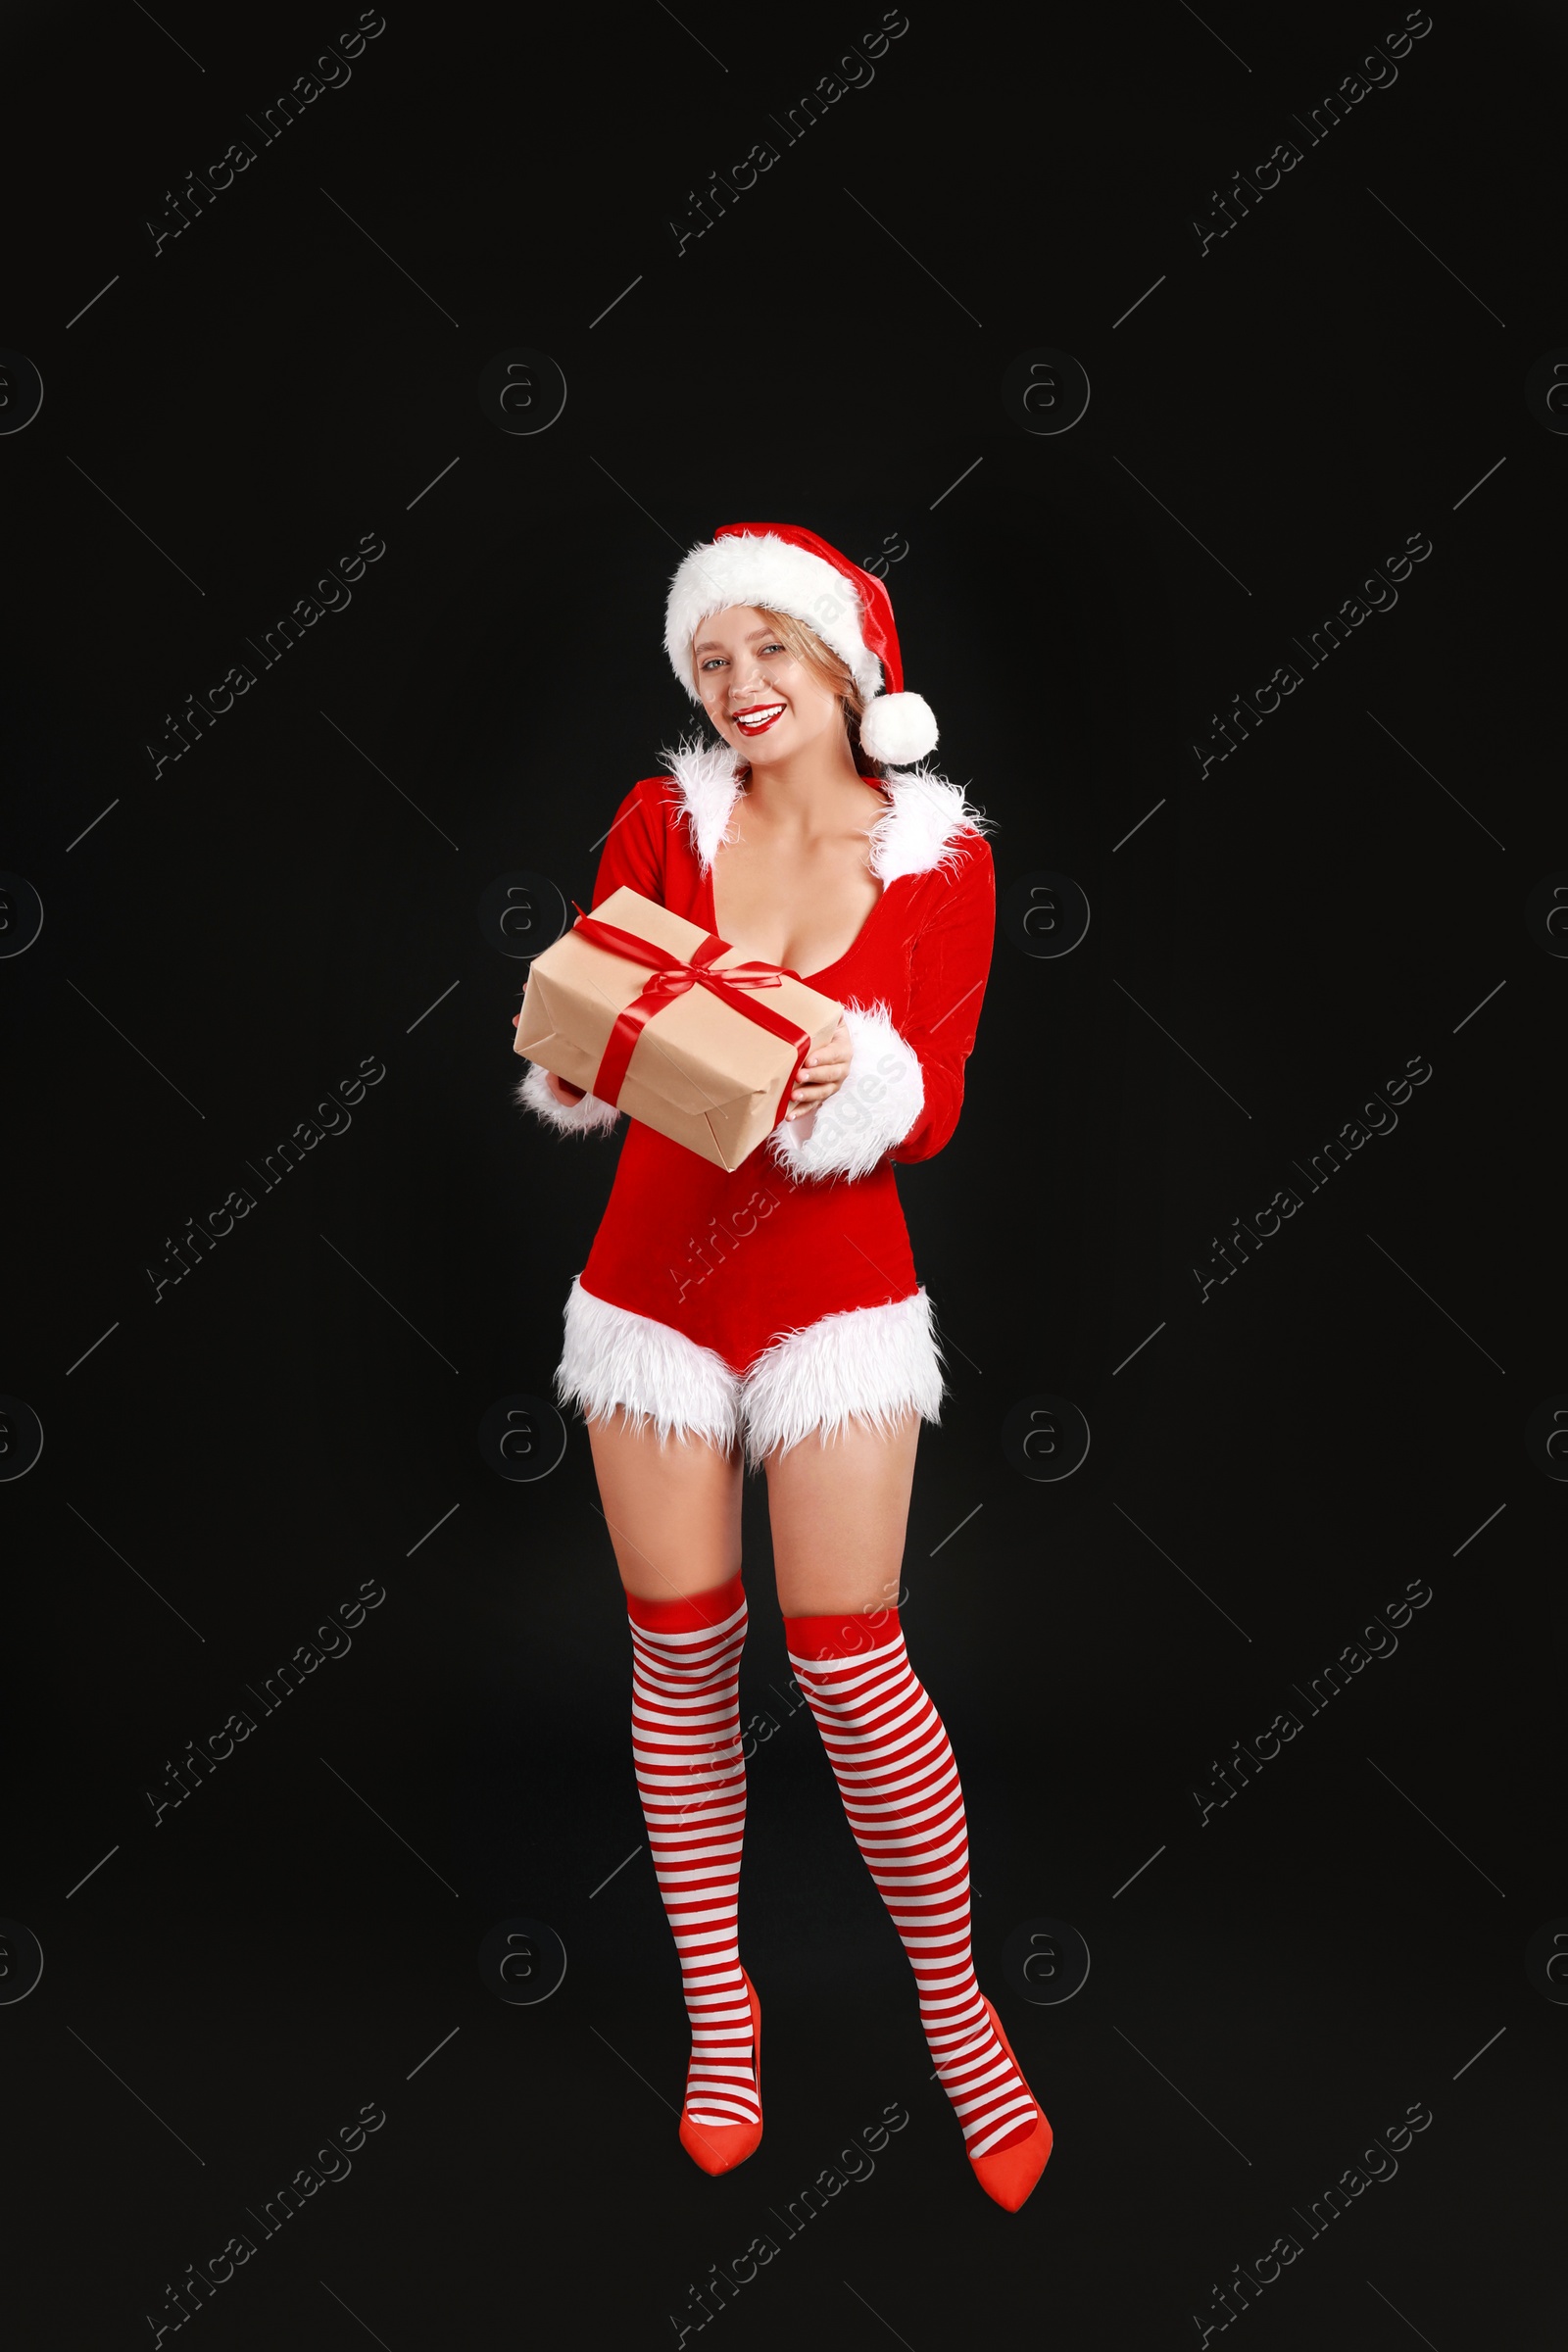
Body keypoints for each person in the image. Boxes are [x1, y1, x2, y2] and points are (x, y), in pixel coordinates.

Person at [512, 523, 1052, 2212]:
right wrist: (603, 1040)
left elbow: (938, 1103)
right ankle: (719, 2013)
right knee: (679, 1649)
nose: (742, 688)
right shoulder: (663, 824)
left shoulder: (938, 861)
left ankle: (960, 2019)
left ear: (844, 670)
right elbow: (593, 1032)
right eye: (713, 661)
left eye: (772, 653)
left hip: (837, 1303)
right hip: (649, 1294)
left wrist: (846, 1075)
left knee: (849, 1661)